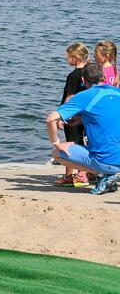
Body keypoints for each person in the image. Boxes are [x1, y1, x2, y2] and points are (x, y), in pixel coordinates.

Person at [47, 63, 120, 195]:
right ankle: (109, 176)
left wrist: (56, 143)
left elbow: (51, 119)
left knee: (57, 153)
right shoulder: (116, 92)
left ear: (83, 80)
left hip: (105, 160)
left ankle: (103, 175)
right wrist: (82, 120)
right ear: (103, 77)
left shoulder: (85, 96)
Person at [53, 43, 90, 187]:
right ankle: (84, 173)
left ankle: (69, 176)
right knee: (82, 142)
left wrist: (61, 115)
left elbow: (69, 96)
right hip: (85, 114)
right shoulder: (88, 73)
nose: (67, 60)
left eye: (68, 57)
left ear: (76, 57)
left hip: (72, 114)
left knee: (71, 143)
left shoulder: (74, 75)